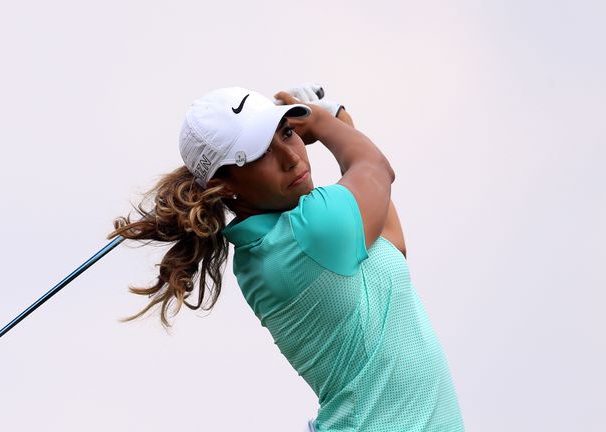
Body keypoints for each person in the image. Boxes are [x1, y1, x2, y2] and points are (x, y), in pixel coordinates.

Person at [108, 84, 465, 431]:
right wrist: (322, 122)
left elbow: (390, 241)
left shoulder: (284, 239)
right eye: (261, 152)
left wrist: (340, 124)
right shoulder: (307, 233)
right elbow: (376, 169)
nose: (291, 157)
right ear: (222, 185)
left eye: (287, 133)